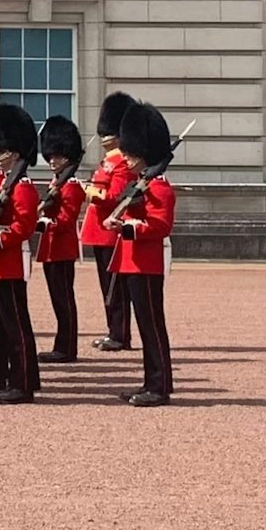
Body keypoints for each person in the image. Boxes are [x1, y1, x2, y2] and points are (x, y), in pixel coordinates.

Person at [97, 102, 176, 406]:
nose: (125, 157)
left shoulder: (160, 187)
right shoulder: (140, 184)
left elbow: (159, 226)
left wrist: (128, 226)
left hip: (147, 263)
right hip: (132, 261)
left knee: (152, 324)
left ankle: (159, 386)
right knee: (145, 325)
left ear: (143, 153)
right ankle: (151, 381)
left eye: (130, 153)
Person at [0, 103, 42, 405]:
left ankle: (23, 383)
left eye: (2, 151)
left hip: (11, 262)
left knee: (16, 326)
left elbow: (24, 227)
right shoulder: (5, 183)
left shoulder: (23, 187)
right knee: (4, 326)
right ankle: (13, 378)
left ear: (15, 153)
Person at [82, 90, 136, 353]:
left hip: (110, 233)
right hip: (99, 232)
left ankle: (120, 334)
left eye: (108, 132)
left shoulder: (122, 164)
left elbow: (115, 196)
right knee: (108, 287)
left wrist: (91, 192)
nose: (104, 136)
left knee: (115, 287)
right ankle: (113, 330)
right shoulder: (108, 162)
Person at [36, 115, 86, 361]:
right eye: (51, 156)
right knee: (58, 299)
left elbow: (66, 219)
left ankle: (67, 348)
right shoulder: (57, 182)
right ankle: (61, 345)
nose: (53, 160)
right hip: (50, 248)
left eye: (58, 156)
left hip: (62, 248)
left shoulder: (72, 186)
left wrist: (46, 221)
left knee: (64, 299)